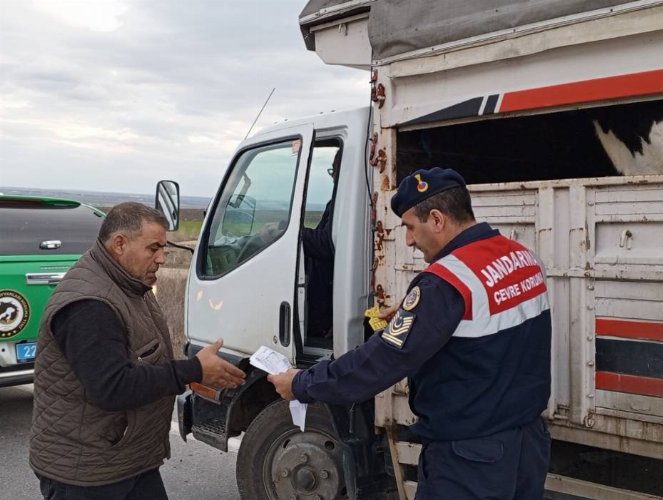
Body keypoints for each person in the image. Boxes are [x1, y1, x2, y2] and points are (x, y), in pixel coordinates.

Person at [268, 167, 552, 499]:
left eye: (409, 227)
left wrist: (301, 383)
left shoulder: (445, 282)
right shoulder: (521, 257)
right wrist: (416, 314)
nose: (408, 239)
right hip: (527, 444)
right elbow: (490, 326)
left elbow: (381, 361)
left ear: (437, 219)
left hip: (470, 459)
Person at [29, 202, 246, 500]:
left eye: (164, 247)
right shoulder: (90, 304)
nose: (162, 257)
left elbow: (143, 359)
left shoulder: (128, 284)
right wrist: (193, 370)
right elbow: (113, 387)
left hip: (125, 460)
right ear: (120, 243)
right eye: (154, 248)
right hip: (88, 474)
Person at [300, 149, 340, 338]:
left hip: (331, 289)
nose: (332, 178)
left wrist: (293, 233)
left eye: (334, 171)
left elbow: (326, 243)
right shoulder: (337, 202)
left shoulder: (342, 204)